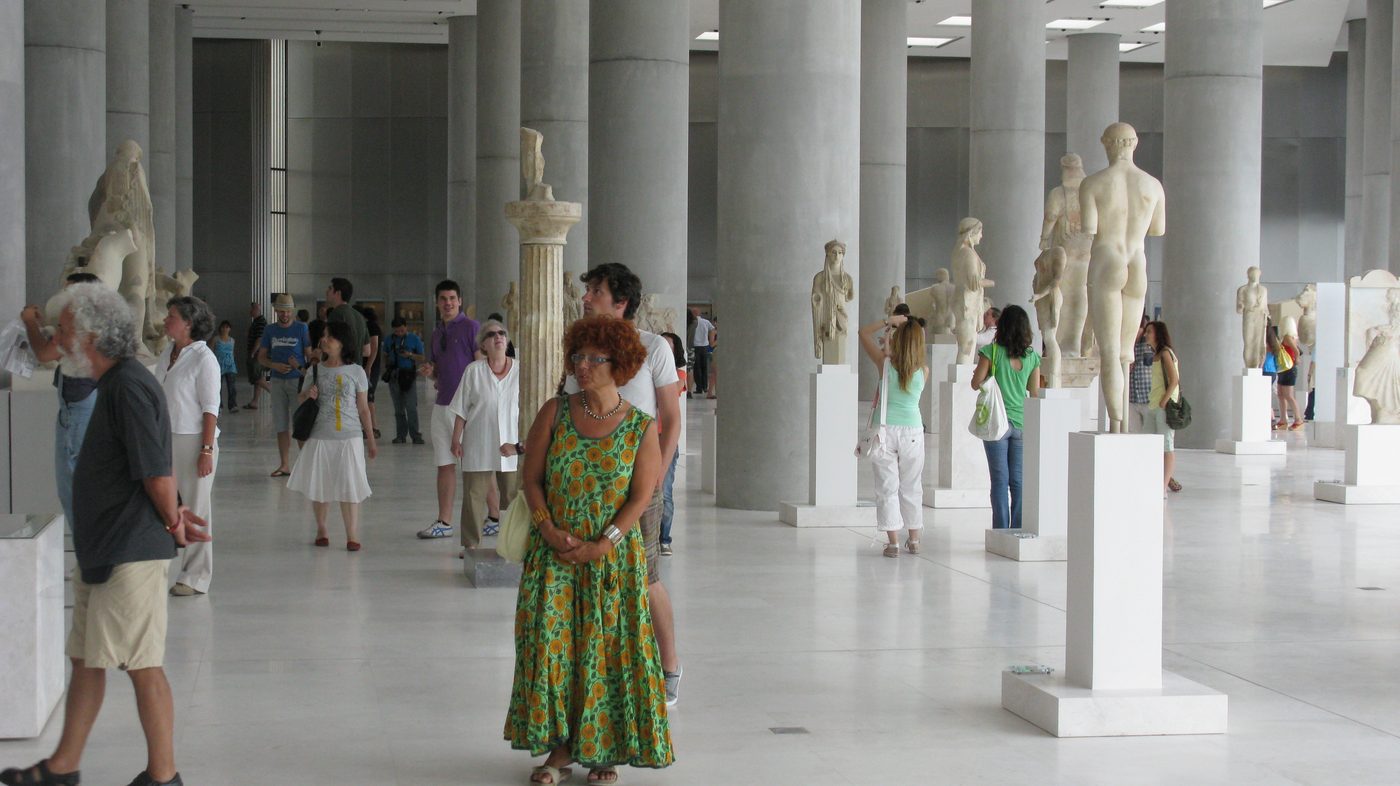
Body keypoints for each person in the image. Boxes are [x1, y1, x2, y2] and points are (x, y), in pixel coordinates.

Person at [0, 283, 208, 786]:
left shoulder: (130, 386)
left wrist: (173, 519)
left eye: (66, 328)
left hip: (129, 551)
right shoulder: (109, 383)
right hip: (104, 549)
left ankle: (164, 777)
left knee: (142, 665)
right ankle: (62, 767)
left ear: (90, 334)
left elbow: (155, 472)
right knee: (86, 661)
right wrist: (174, 511)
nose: (57, 337)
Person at [507, 315, 672, 786]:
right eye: (578, 356)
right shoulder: (554, 412)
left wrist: (605, 543)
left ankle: (605, 751)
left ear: (619, 364)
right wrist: (548, 529)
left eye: (595, 358)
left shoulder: (640, 428)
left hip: (611, 562)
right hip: (553, 557)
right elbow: (531, 479)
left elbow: (641, 497)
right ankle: (559, 750)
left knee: (607, 652)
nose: (583, 366)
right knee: (554, 650)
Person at [567, 263, 684, 706]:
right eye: (588, 291)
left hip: (639, 477)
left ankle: (669, 665)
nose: (586, 298)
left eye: (595, 291)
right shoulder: (581, 348)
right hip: (587, 482)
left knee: (646, 572)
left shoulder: (653, 347)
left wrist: (658, 473)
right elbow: (567, 406)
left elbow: (671, 419)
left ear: (621, 302)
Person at [18, 272, 102, 534]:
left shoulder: (84, 326)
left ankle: (89, 562)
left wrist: (30, 323)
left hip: (78, 410)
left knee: (75, 490)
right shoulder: (90, 323)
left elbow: (45, 352)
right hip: (78, 407)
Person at [154, 296, 223, 597]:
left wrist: (205, 450)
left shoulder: (203, 358)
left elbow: (210, 408)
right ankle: (159, 567)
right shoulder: (169, 351)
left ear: (189, 324)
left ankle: (196, 576)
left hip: (193, 439)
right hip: (165, 437)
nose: (166, 320)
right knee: (163, 504)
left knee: (196, 508)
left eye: (171, 316)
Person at [287, 321, 377, 550]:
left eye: (330, 337)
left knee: (350, 485)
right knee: (321, 485)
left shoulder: (357, 371)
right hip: (320, 435)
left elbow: (363, 408)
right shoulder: (315, 370)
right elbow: (300, 398)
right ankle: (322, 528)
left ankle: (352, 534)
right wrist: (308, 393)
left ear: (343, 343)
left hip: (350, 436)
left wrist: (371, 440)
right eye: (324, 336)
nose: (324, 340)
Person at [859, 312, 928, 556]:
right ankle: (915, 540)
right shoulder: (923, 370)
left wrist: (889, 321)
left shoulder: (884, 364)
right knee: (911, 486)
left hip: (885, 431)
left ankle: (893, 543)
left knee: (888, 487)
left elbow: (863, 333)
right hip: (913, 431)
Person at [448, 318, 519, 554]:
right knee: (473, 496)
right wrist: (456, 439)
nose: (497, 337)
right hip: (478, 440)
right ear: (483, 345)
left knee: (511, 497)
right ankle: (470, 543)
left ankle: (512, 544)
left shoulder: (521, 371)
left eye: (501, 333)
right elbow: (461, 408)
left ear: (507, 341)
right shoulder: (473, 371)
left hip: (512, 443)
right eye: (491, 334)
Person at [417, 279, 480, 540]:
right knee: (444, 463)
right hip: (443, 405)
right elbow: (440, 373)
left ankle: (494, 517)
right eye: (443, 299)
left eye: (452, 298)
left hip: (468, 409)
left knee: (477, 464)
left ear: (460, 301)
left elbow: (480, 367)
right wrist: (431, 373)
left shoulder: (471, 328)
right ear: (436, 302)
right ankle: (444, 520)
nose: (448, 303)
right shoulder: (435, 333)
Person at [971, 305, 1042, 530]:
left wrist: (990, 378)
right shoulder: (1032, 357)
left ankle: (1001, 530)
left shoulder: (991, 352)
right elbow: (1034, 392)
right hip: (1021, 422)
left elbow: (975, 384)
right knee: (1018, 482)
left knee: (999, 481)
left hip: (996, 423)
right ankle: (1017, 528)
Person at [256, 294, 311, 477]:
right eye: (281, 311)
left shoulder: (301, 328)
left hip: (297, 381)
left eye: (287, 311)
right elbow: (262, 356)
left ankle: (306, 464)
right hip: (278, 380)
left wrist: (304, 371)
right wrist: (274, 365)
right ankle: (285, 464)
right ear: (276, 311)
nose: (285, 314)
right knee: (281, 424)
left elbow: (310, 356)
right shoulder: (270, 330)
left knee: (300, 423)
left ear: (292, 311)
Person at [658, 331, 688, 556]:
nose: (664, 351)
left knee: (664, 491)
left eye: (669, 347)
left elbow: (670, 392)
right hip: (646, 436)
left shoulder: (678, 374)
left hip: (665, 437)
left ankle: (664, 538)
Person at [1144, 320, 1181, 497]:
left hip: (1163, 405)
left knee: (1167, 446)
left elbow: (1174, 380)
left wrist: (1163, 402)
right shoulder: (1156, 355)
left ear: (1157, 334)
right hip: (1154, 404)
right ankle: (1156, 479)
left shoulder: (1166, 353)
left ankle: (1163, 485)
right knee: (1150, 443)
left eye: (1149, 331)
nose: (1146, 334)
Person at [383, 317, 425, 444]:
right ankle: (400, 435)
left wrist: (410, 355)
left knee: (411, 407)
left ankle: (415, 435)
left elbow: (422, 357)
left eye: (401, 330)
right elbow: (384, 354)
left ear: (406, 327)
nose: (399, 333)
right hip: (395, 376)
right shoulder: (389, 340)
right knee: (398, 409)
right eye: (396, 331)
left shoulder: (414, 339)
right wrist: (388, 365)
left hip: (408, 376)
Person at [324, 277, 370, 373]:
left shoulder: (336, 314)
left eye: (330, 288)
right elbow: (367, 351)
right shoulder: (359, 316)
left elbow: (330, 347)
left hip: (340, 372)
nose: (326, 291)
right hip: (357, 372)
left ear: (338, 293)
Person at [1272, 327, 1303, 430]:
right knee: (1281, 394)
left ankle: (1298, 419)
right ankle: (1283, 419)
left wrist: (1297, 359)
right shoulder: (1283, 337)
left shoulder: (1287, 337)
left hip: (1289, 368)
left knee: (1288, 395)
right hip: (1283, 368)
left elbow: (1296, 351)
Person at [243, 301, 269, 409]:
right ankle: (254, 401)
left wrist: (253, 352)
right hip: (257, 354)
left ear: (256, 310)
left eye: (252, 309)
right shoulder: (256, 321)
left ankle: (274, 392)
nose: (250, 311)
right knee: (258, 377)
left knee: (256, 377)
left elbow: (260, 338)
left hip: (257, 355)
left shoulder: (260, 322)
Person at [362, 306, 383, 439]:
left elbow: (374, 348)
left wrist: (368, 366)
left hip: (370, 366)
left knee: (369, 397)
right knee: (366, 397)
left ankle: (373, 428)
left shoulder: (371, 326)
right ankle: (369, 427)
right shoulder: (371, 326)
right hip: (368, 366)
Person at [212, 320, 239, 413]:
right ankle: (219, 405)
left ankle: (232, 405)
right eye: (223, 327)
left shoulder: (232, 340)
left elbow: (233, 353)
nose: (225, 329)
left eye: (227, 327)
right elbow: (211, 351)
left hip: (230, 365)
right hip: (218, 365)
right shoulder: (216, 339)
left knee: (232, 386)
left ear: (230, 329)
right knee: (217, 387)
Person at [690, 306, 715, 397]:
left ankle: (699, 388)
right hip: (704, 346)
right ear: (699, 313)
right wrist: (711, 340)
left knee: (697, 368)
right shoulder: (706, 322)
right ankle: (705, 386)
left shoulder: (691, 322)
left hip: (695, 347)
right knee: (704, 367)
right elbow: (712, 329)